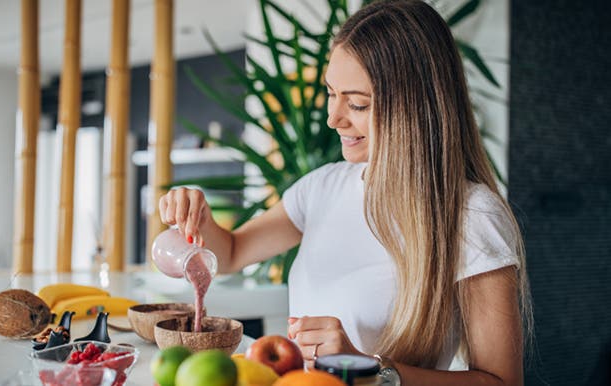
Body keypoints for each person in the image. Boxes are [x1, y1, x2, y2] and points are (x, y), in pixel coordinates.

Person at [158, 0, 532, 384]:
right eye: (331, 93)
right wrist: (201, 219)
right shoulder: (323, 186)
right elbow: (233, 252)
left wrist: (371, 367)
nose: (333, 118)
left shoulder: (471, 216)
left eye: (357, 103)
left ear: (415, 108)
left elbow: (501, 381)